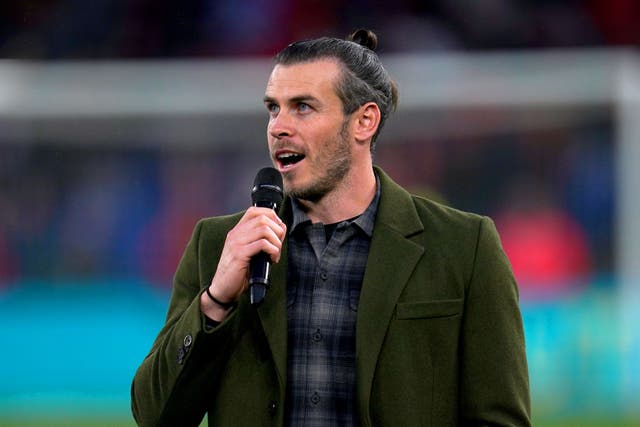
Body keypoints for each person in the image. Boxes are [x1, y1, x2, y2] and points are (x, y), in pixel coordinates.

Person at [131, 29, 531, 426]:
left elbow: (500, 419)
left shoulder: (463, 246)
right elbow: (155, 416)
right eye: (273, 108)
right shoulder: (219, 245)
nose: (278, 127)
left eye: (302, 107)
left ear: (364, 121)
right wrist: (215, 301)